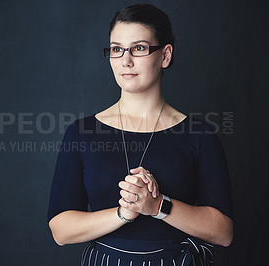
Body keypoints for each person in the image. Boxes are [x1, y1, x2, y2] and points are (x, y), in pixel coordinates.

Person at [48, 3, 233, 266]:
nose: (126, 60)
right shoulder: (82, 133)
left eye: (139, 48)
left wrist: (158, 206)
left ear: (165, 55)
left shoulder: (199, 134)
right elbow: (60, 230)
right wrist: (124, 212)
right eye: (116, 49)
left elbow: (223, 233)